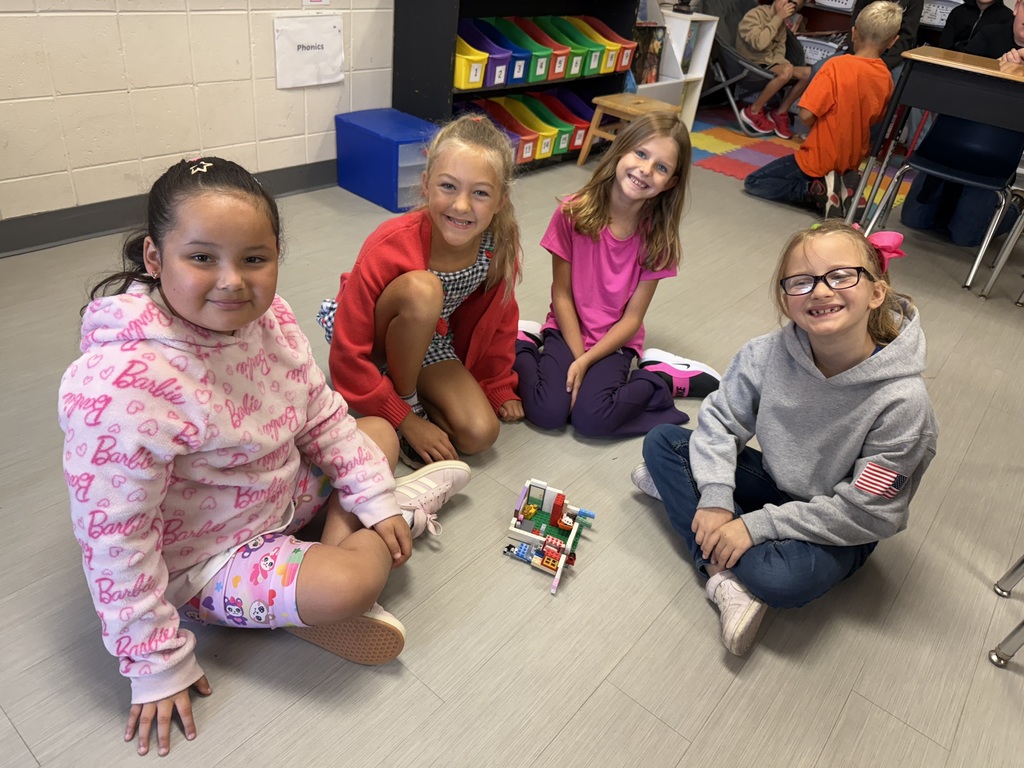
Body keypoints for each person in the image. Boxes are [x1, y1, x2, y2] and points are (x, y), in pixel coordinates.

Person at [58, 157, 472, 757]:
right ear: (154, 258)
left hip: (276, 490)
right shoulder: (118, 386)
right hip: (208, 557)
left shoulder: (270, 318)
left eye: (255, 259)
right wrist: (153, 662)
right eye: (202, 258)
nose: (232, 281)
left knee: (376, 432)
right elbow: (116, 541)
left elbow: (322, 415)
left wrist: (369, 494)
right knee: (353, 582)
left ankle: (346, 537)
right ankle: (369, 540)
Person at [632, 221, 938, 656]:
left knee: (782, 579)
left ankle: (696, 519)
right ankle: (722, 578)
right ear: (786, 299)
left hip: (839, 524)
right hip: (775, 486)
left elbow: (868, 513)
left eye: (841, 275)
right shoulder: (765, 353)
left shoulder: (903, 403)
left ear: (876, 292)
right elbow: (719, 421)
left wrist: (756, 526)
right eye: (802, 281)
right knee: (663, 441)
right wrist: (718, 497)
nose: (821, 291)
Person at [319, 115, 523, 469]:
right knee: (424, 290)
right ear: (426, 184)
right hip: (369, 336)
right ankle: (403, 397)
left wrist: (497, 383)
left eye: (480, 193)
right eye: (448, 186)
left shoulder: (496, 248)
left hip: (428, 337)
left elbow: (500, 322)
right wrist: (405, 419)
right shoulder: (391, 242)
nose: (461, 206)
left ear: (500, 200)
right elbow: (347, 349)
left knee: (479, 434)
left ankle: (408, 390)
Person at [514, 111, 721, 438]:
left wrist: (586, 362)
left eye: (661, 167)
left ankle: (656, 378)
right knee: (547, 413)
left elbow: (632, 319)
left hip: (616, 341)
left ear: (672, 182)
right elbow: (562, 295)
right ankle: (522, 345)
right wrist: (578, 357)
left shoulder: (658, 239)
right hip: (567, 327)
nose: (645, 170)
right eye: (641, 153)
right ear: (621, 149)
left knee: (590, 420)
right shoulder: (571, 213)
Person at [744, 1, 903, 217]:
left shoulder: (835, 67)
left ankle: (816, 192)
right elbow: (874, 120)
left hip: (819, 159)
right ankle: (841, 188)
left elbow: (806, 115)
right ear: (893, 41)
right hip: (850, 163)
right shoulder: (886, 78)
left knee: (754, 181)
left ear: (853, 32)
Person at [899, 0, 1024, 247]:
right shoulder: (989, 34)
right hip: (949, 143)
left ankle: (1012, 211)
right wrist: (998, 71)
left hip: (995, 158)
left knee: (966, 237)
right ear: (1018, 7)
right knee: (914, 220)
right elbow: (952, 85)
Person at [736, 0, 812, 139]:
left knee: (808, 73)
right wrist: (778, 18)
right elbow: (759, 43)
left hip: (769, 63)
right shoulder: (755, 15)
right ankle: (753, 110)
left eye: (794, 5)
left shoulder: (782, 25)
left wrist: (783, 65)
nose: (789, 6)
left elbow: (779, 51)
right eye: (788, 1)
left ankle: (779, 113)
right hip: (751, 63)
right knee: (786, 71)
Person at [938, 0, 1013, 52]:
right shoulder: (957, 12)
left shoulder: (1008, 17)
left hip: (984, 69)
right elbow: (943, 47)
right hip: (950, 66)